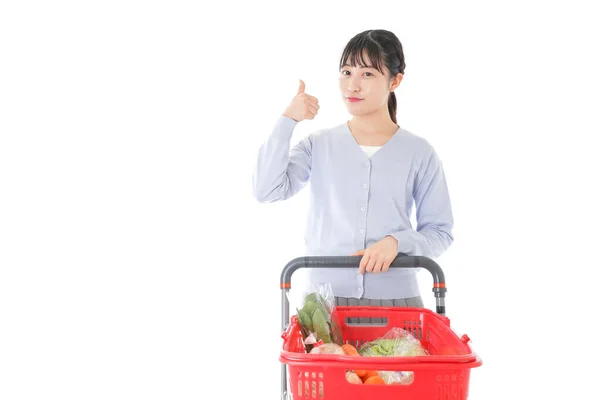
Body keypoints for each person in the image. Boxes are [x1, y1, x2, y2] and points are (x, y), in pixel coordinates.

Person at [252, 29, 454, 314]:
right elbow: (267, 190)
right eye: (346, 72)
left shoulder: (419, 152)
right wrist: (288, 120)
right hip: (323, 307)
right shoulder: (317, 145)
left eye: (368, 74)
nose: (352, 86)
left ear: (395, 81)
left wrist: (397, 242)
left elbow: (440, 232)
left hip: (398, 304)